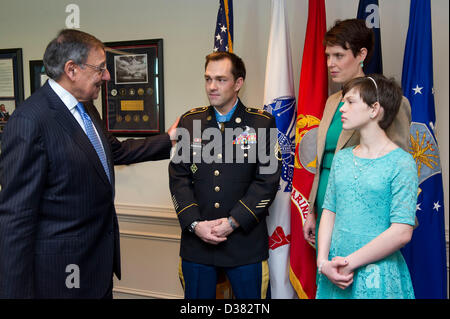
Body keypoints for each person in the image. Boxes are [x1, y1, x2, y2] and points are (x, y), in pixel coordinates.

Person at [0, 29, 179, 299]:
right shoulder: (30, 122)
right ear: (72, 69)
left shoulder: (87, 107)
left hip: (97, 264)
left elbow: (114, 151)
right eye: (101, 68)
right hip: (59, 276)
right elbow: (16, 218)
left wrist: (168, 139)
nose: (107, 76)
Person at [169, 51, 281, 299]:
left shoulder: (262, 123)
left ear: (238, 83)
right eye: (208, 79)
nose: (212, 86)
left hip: (244, 244)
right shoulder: (190, 121)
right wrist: (195, 224)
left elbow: (267, 182)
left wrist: (233, 222)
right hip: (197, 245)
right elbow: (179, 178)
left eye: (220, 80)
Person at [303, 19, 412, 248]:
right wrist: (312, 209)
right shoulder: (333, 102)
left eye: (338, 55)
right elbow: (321, 163)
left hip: (364, 214)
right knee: (327, 273)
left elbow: (398, 164)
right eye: (327, 56)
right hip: (325, 203)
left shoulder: (391, 102)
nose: (330, 63)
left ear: (361, 54)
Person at [315, 75, 417, 299]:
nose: (342, 108)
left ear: (374, 109)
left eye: (351, 102)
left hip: (376, 274)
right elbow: (329, 212)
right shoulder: (341, 159)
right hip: (335, 271)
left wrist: (349, 263)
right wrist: (323, 263)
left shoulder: (401, 163)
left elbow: (402, 232)